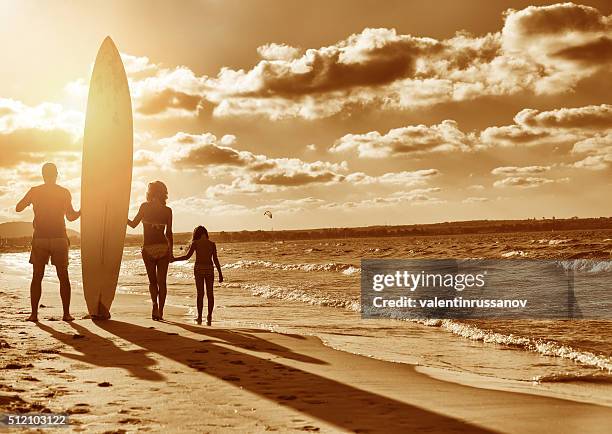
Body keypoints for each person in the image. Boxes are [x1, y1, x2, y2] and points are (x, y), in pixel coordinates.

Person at [16, 163, 81, 322]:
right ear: (56, 174)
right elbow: (71, 217)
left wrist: (30, 202)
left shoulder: (34, 191)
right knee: (63, 276)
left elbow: (18, 208)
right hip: (59, 238)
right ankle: (66, 314)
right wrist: (82, 211)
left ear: (43, 175)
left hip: (40, 238)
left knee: (37, 277)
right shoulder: (64, 192)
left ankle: (34, 315)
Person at [127, 181, 173, 321]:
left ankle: (154, 305)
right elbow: (169, 233)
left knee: (153, 282)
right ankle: (160, 311)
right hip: (163, 248)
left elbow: (133, 225)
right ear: (163, 193)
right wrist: (171, 252)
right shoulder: (167, 210)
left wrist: (121, 215)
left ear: (150, 192)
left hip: (148, 248)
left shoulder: (145, 207)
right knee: (162, 282)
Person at [172, 226, 223, 325]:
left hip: (199, 268)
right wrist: (220, 274)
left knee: (200, 294)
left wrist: (174, 259)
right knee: (210, 294)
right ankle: (209, 316)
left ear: (197, 234)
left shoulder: (195, 243)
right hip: (209, 269)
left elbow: (187, 257)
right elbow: (215, 260)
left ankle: (199, 316)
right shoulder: (212, 244)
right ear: (205, 233)